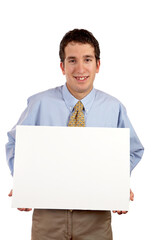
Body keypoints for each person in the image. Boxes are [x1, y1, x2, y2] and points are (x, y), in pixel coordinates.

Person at [6, 29, 144, 240]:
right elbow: (16, 142)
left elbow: (132, 150)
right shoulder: (39, 104)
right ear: (62, 66)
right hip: (48, 217)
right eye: (72, 60)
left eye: (87, 59)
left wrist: (117, 184)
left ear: (98, 65)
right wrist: (24, 183)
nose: (80, 68)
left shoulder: (114, 108)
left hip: (96, 220)